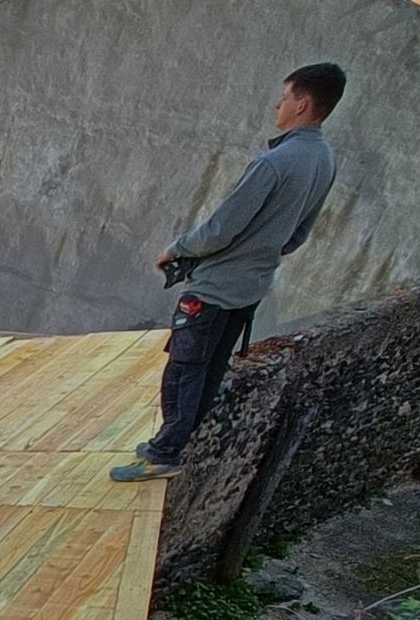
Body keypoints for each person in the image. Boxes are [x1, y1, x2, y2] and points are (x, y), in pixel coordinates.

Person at [110, 62, 345, 482]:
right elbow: (298, 234)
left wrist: (177, 249)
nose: (278, 103)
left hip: (216, 286)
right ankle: (174, 443)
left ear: (303, 104)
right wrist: (263, 252)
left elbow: (221, 228)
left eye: (286, 96)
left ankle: (165, 453)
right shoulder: (324, 160)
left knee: (184, 369)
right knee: (211, 368)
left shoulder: (274, 162)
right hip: (251, 286)